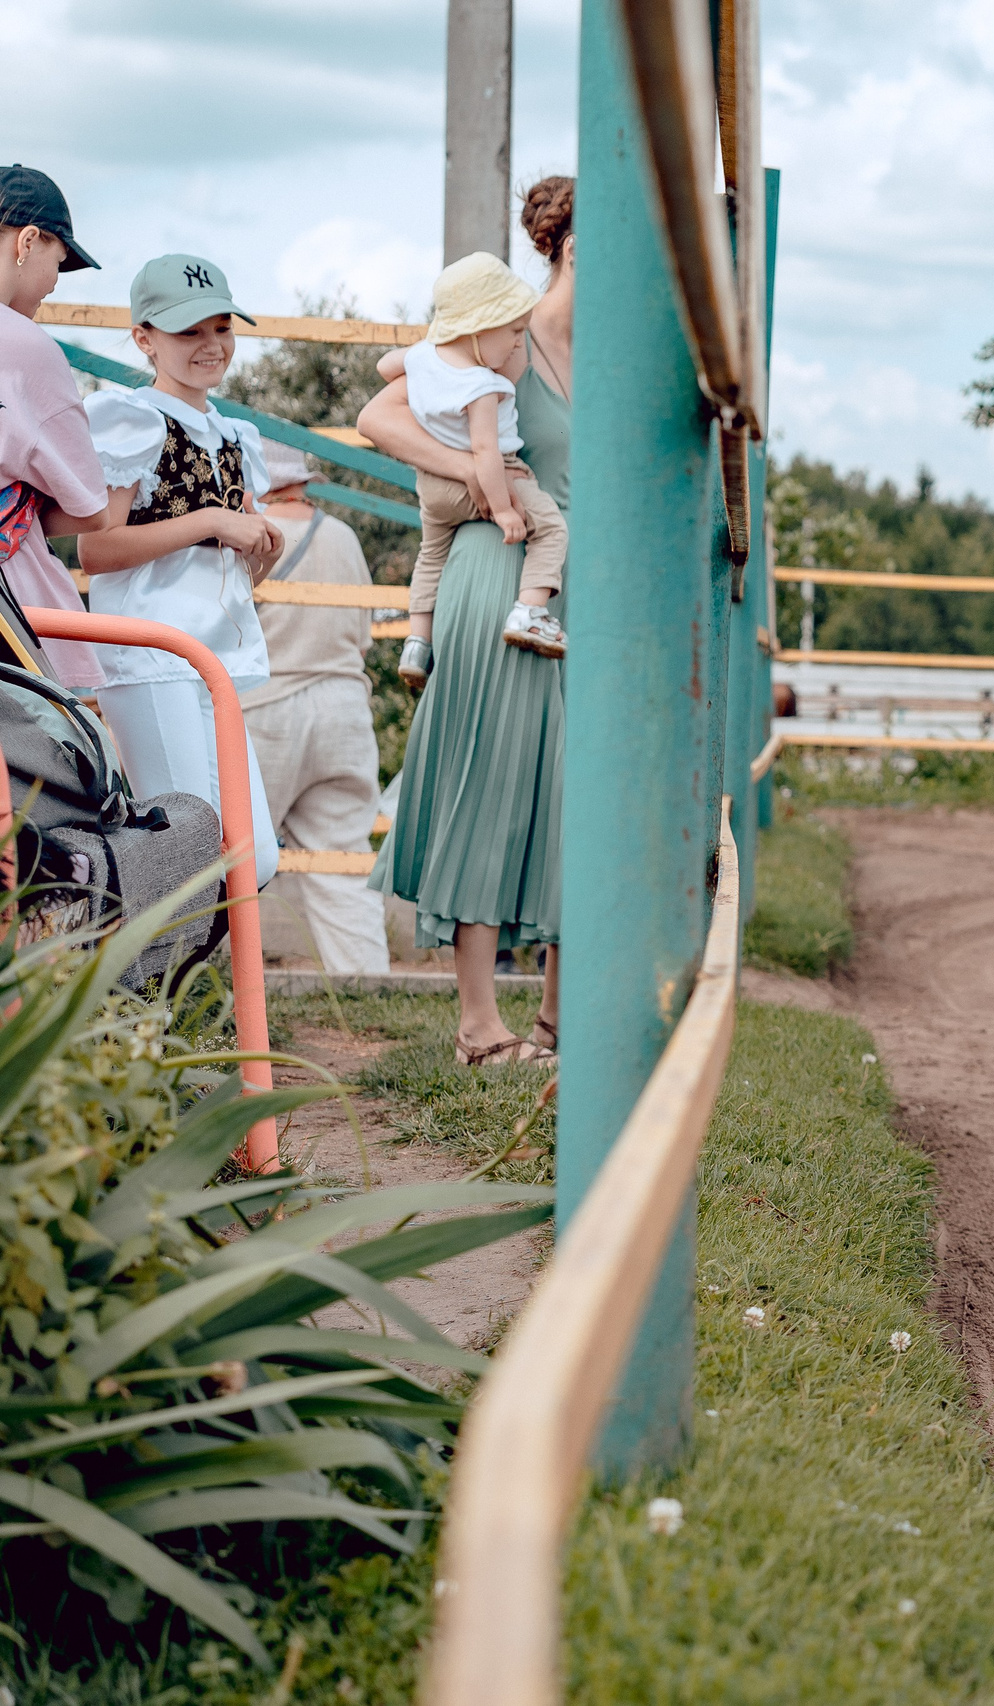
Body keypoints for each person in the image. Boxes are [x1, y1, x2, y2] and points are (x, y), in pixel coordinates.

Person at [360, 175, 575, 1065]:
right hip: (500, 564)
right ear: (575, 248)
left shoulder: (616, 351)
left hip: (572, 581)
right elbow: (378, 414)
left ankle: (560, 1019)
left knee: (571, 791)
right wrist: (475, 474)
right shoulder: (498, 336)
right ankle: (480, 1026)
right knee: (492, 779)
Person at [79, 253, 281, 887]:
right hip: (149, 657)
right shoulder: (133, 419)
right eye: (188, 330)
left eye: (222, 327)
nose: (211, 344)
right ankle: (128, 949)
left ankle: (160, 953)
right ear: (144, 339)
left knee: (254, 855)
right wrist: (211, 521)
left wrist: (260, 553)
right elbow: (95, 549)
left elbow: (232, 579)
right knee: (187, 857)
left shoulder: (236, 435)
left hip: (214, 660)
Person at [382, 251, 567, 686]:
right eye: (514, 331)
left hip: (433, 487)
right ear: (479, 328)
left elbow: (384, 366)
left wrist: (429, 355)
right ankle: (530, 612)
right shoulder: (483, 386)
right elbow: (486, 451)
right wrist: (503, 509)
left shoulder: (423, 358)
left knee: (430, 555)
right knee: (551, 529)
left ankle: (417, 644)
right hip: (489, 476)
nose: (519, 342)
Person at [242, 445, 388, 973]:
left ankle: (209, 986)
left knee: (233, 857)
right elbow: (363, 638)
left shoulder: (250, 535)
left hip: (264, 708)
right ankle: (368, 985)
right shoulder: (343, 535)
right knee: (342, 862)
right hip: (343, 709)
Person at [0, 164, 111, 686]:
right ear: (27, 242)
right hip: (15, 616)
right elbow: (90, 508)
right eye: (58, 263)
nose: (52, 284)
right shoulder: (26, 346)